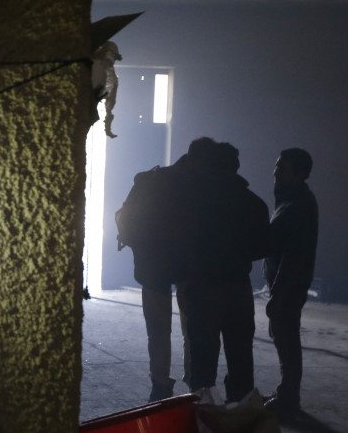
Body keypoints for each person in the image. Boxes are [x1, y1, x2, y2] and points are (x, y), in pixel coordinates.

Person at [116, 138, 215, 401]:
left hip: (155, 268)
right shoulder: (202, 187)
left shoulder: (152, 180)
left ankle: (160, 384)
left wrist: (141, 251)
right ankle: (192, 383)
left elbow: (125, 218)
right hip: (188, 269)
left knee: (158, 330)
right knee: (190, 330)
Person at [175, 141, 271, 404]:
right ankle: (241, 415)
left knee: (202, 359)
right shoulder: (253, 203)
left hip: (202, 286)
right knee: (240, 356)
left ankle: (203, 418)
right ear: (236, 168)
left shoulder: (195, 201)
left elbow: (180, 239)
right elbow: (263, 246)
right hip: (238, 287)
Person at [263, 148, 318, 417]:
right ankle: (286, 394)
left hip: (288, 287)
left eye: (282, 169)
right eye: (276, 167)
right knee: (282, 335)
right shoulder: (289, 200)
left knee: (286, 339)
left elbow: (294, 257)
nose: (275, 172)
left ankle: (288, 398)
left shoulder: (298, 206)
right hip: (284, 285)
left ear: (299, 174)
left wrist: (279, 293)